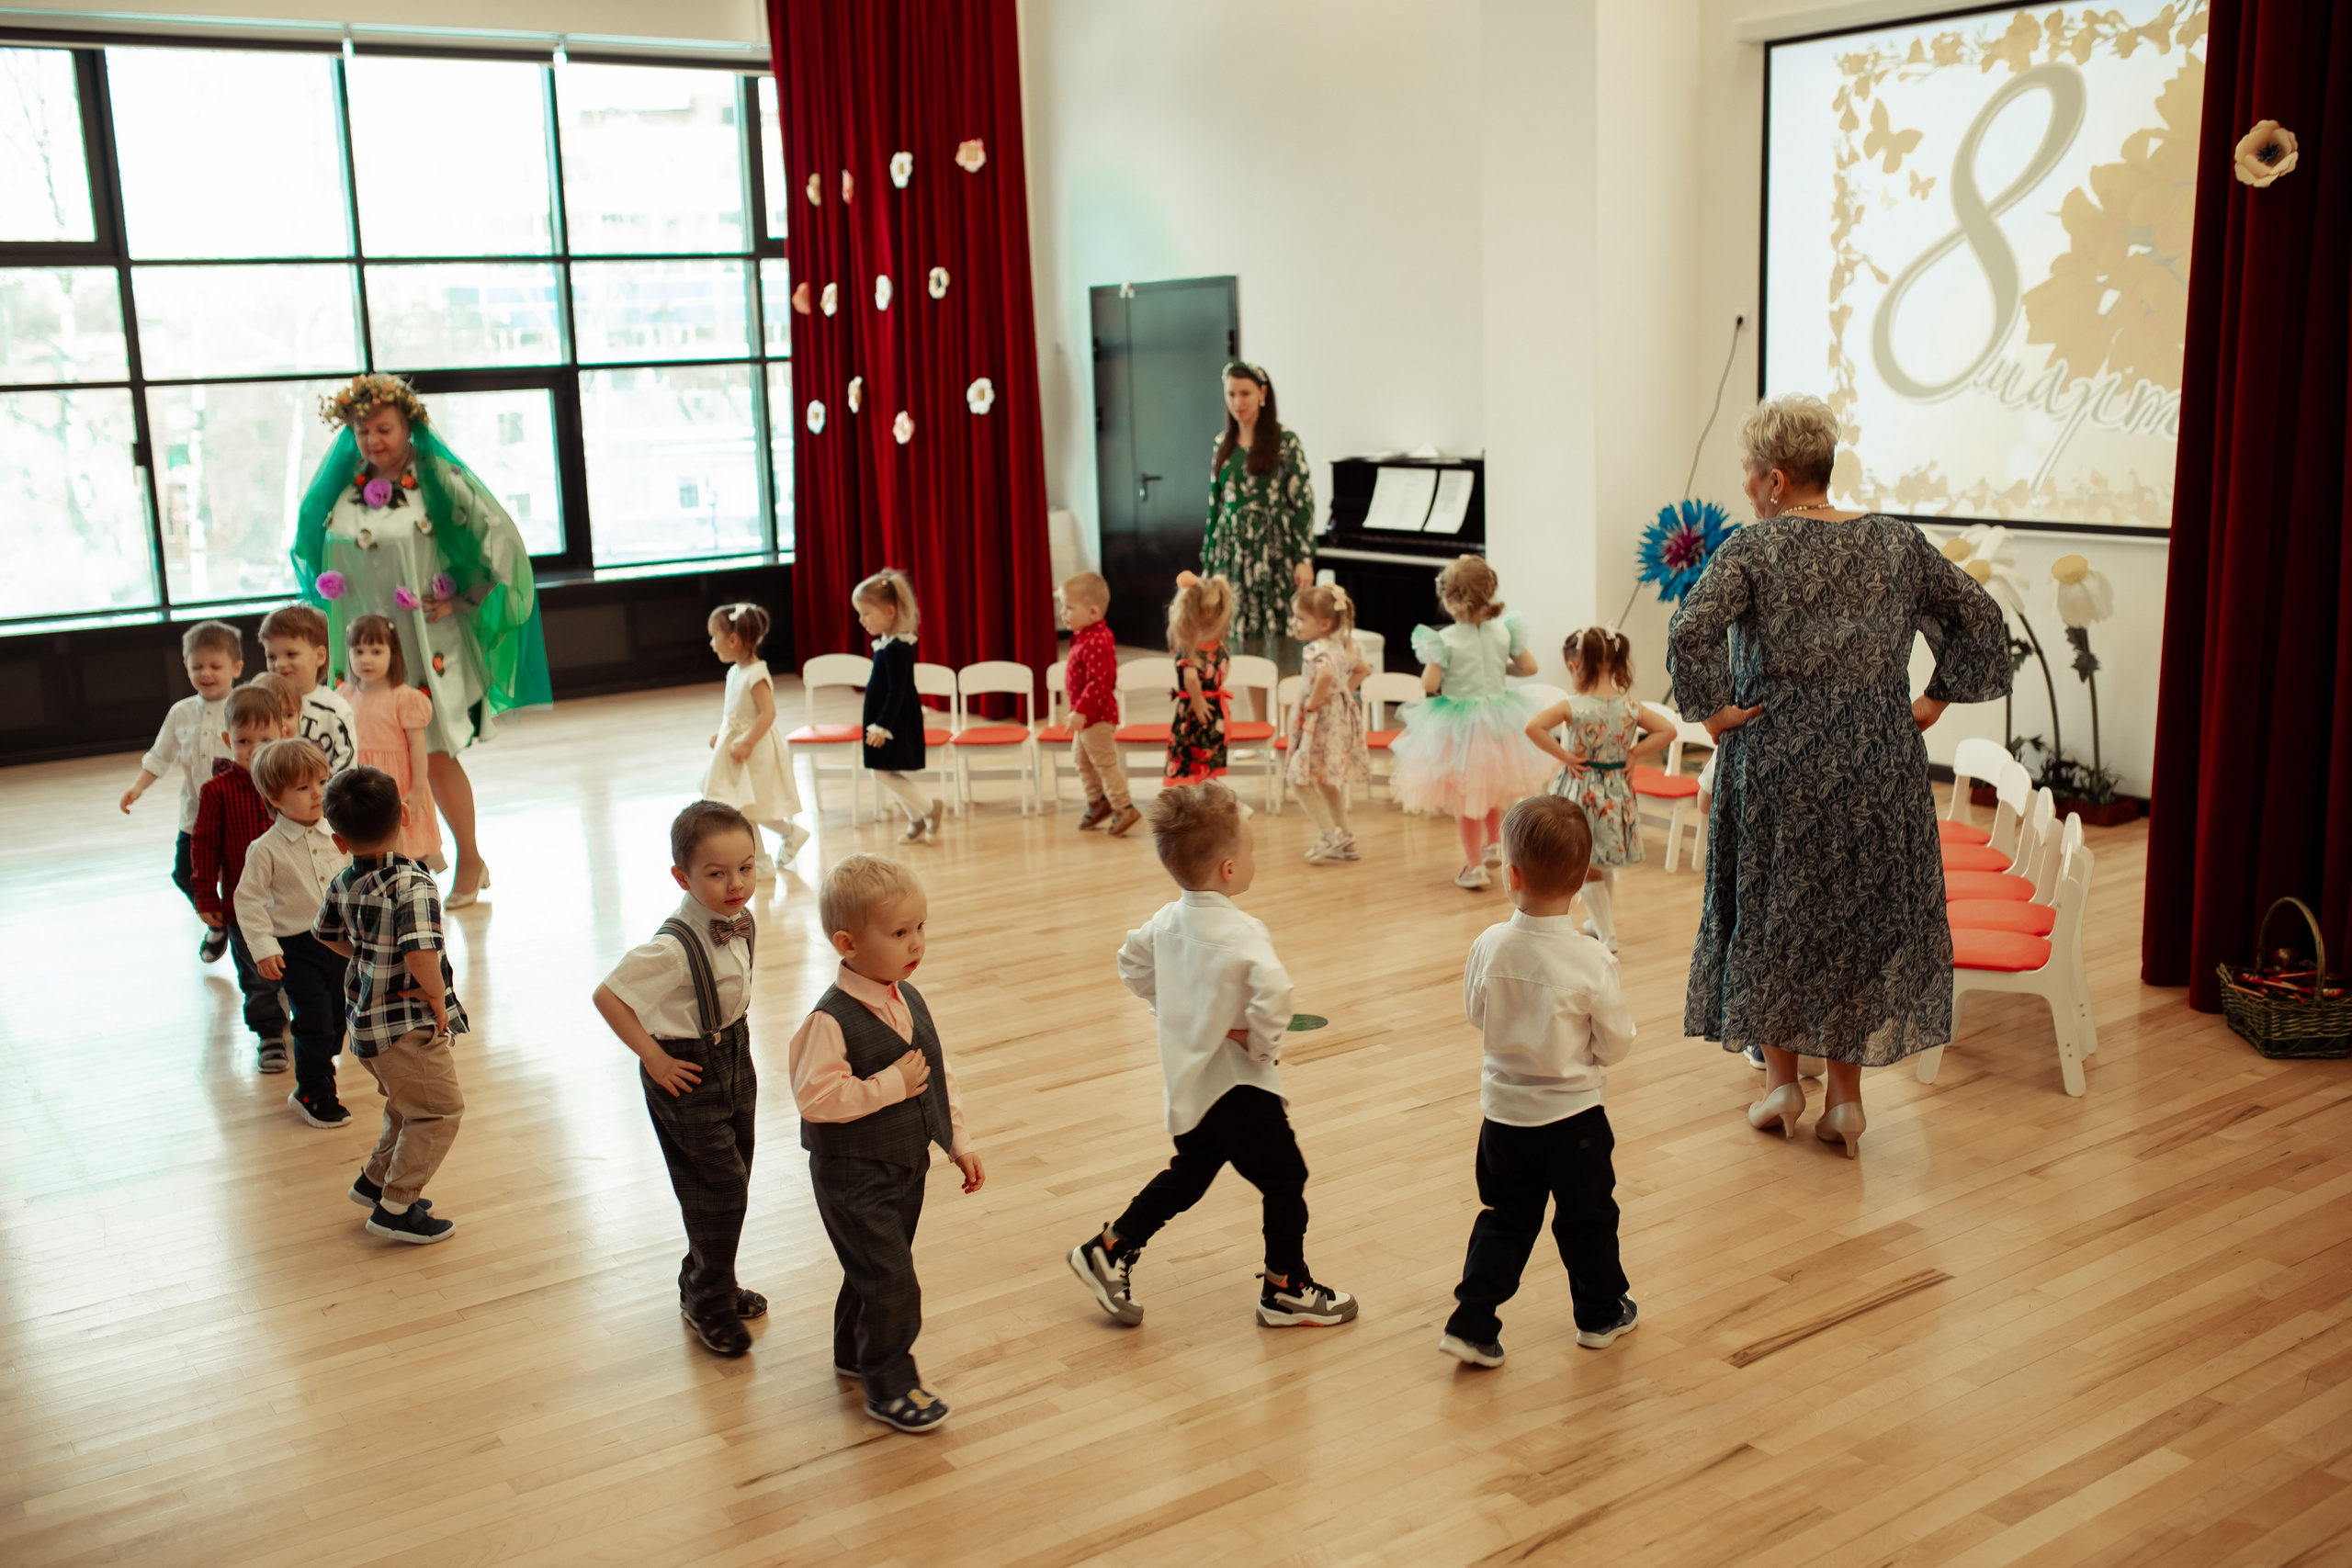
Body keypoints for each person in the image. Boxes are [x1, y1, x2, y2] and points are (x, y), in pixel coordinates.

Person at [1668, 393, 2009, 1156]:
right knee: (1858, 917)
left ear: (1779, 479)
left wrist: (1715, 713)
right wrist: (1931, 701)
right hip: (1878, 766)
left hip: (1777, 764)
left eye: (1751, 477)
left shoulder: (1753, 551)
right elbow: (1979, 616)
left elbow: (1691, 628)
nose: (1748, 491)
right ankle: (1846, 1100)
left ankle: (1782, 1085)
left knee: (1772, 911)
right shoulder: (1895, 543)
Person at [1067, 782, 1359, 1333]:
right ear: (1228, 869)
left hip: (1189, 1082)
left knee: (1193, 1169)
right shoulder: (1243, 932)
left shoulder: (1166, 920)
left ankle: (1110, 1248)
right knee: (1285, 1177)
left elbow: (1130, 961)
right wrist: (1261, 1045)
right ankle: (1286, 1287)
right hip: (1237, 1087)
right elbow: (1274, 995)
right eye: (1249, 851)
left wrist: (1169, 1010)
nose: (1253, 860)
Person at [293, 372, 552, 908]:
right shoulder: (346, 485)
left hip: (422, 641)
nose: (372, 441)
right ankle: (386, 870)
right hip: (362, 645)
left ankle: (471, 858)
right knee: (367, 754)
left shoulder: (441, 479)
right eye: (362, 432)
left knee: (431, 754)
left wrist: (464, 598)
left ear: (408, 425)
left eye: (383, 429)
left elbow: (497, 541)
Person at [1441, 795, 1640, 1369]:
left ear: (1511, 874)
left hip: (1503, 1119)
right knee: (1588, 1220)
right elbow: (1617, 1041)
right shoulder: (1592, 958)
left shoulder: (1489, 944)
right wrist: (1590, 1055)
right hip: (1575, 1118)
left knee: (1505, 1220)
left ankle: (1472, 1322)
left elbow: (1477, 1014)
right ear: (1582, 883)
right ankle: (1600, 1315)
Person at [788, 853, 984, 1434]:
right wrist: (886, 1087)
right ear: (847, 943)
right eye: (899, 933)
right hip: (853, 1175)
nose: (915, 942)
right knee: (892, 1278)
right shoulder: (831, 1020)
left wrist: (956, 1141)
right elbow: (815, 1099)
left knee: (873, 1270)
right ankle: (890, 1384)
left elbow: (935, 1076)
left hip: (905, 1167)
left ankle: (854, 1353)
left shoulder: (907, 997)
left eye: (920, 927)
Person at [594, 801, 770, 1358]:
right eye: (716, 874)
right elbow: (610, 996)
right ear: (682, 877)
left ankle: (709, 1276)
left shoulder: (739, 922)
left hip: (735, 1055)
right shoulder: (673, 947)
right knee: (716, 1189)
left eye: (746, 867)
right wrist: (654, 1058)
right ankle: (706, 1301)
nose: (735, 883)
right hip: (686, 1070)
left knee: (732, 1180)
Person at [314, 765, 468, 1244]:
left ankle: (375, 1181)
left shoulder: (344, 880)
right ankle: (396, 1208)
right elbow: (422, 952)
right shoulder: (413, 884)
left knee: (405, 1105)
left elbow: (327, 936)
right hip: (406, 1025)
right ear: (403, 815)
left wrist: (369, 955)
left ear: (339, 840)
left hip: (366, 1024)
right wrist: (438, 999)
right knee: (438, 1110)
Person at [1388, 556, 1555, 889]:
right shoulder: (1503, 632)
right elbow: (1529, 668)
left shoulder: (1445, 639)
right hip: (1499, 718)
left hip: (1461, 724)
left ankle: (1474, 867)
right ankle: (1493, 844)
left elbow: (1429, 684)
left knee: (1467, 799)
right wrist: (1495, 671)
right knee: (1492, 788)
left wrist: (1447, 669)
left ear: (1449, 598)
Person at [1522, 629, 1676, 953]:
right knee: (1602, 859)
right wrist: (1633, 754)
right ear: (1617, 661)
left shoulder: (1574, 705)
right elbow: (1668, 730)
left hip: (1581, 790)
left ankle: (1607, 936)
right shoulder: (1630, 705)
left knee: (1586, 863)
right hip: (1616, 790)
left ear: (1580, 663)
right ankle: (1598, 922)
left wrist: (1564, 755)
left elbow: (1532, 727)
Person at [235, 739, 353, 1128]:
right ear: (274, 797)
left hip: (343, 944)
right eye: (303, 788)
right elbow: (248, 901)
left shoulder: (338, 834)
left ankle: (323, 1065)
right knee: (314, 1021)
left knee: (339, 1020)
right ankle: (313, 1091)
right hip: (298, 949)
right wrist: (263, 948)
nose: (318, 793)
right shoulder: (265, 849)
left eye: (322, 781)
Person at [123, 619, 243, 963]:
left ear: (235, 667)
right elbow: (161, 754)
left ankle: (246, 938)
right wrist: (138, 786)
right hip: (196, 818)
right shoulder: (181, 712)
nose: (206, 673)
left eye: (215, 666)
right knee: (183, 873)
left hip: (238, 817)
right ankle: (215, 921)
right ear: (186, 667)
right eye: (197, 666)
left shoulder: (243, 707)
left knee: (242, 882)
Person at [191, 685, 295, 1072]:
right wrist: (205, 897)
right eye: (243, 741)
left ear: (283, 735)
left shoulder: (292, 784)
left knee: (299, 968)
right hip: (244, 906)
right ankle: (269, 1034)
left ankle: (306, 1023)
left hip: (293, 902)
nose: (254, 749)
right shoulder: (217, 792)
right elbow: (202, 847)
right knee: (256, 976)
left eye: (265, 739)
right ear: (226, 740)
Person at [1201, 361, 1317, 666]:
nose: (1237, 402)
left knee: (1283, 630)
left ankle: (1288, 706)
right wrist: (1209, 560)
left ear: (1262, 393)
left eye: (1245, 393)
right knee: (1244, 635)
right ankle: (1257, 712)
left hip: (1274, 550)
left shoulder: (1285, 441)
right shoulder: (1222, 444)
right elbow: (1215, 506)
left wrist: (1304, 557)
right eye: (1231, 394)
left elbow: (1302, 502)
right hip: (1234, 554)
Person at [699, 603, 809, 877]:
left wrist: (747, 742)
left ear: (733, 639)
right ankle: (767, 854)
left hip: (754, 749)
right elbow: (736, 712)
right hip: (736, 747)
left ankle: (772, 851)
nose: (712, 644)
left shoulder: (757, 673)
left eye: (714, 637)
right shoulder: (736, 670)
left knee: (749, 806)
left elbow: (768, 712)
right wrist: (722, 733)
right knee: (742, 807)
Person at [341, 614, 440, 868]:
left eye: (376, 651)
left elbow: (417, 747)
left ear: (392, 653)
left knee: (406, 844)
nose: (366, 659)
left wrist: (418, 787)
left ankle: (418, 884)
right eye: (358, 651)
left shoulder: (404, 698)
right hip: (361, 783)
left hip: (398, 784)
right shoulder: (344, 695)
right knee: (368, 841)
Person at [853, 569, 944, 843]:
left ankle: (929, 808)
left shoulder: (898, 648)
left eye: (866, 613)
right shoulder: (888, 644)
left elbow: (898, 690)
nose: (861, 620)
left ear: (890, 611)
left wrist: (882, 725)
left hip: (893, 722)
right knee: (883, 771)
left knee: (881, 771)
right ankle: (916, 818)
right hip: (885, 719)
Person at [1284, 581, 1372, 863]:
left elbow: (1324, 675)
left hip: (1319, 722)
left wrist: (1312, 702)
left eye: (1300, 618)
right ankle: (1346, 838)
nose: (1294, 622)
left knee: (1297, 777)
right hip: (1338, 719)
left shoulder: (1316, 649)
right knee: (1325, 779)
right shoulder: (1347, 646)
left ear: (1323, 624)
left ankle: (1328, 834)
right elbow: (1363, 669)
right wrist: (1344, 689)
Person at [1060, 571, 1140, 837]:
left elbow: (1098, 683)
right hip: (1086, 717)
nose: (1063, 614)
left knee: (1104, 762)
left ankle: (1124, 806)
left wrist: (1081, 711)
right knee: (1081, 760)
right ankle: (1099, 801)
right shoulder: (1086, 637)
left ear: (1093, 612)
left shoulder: (1096, 641)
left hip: (1096, 716)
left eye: (1069, 608)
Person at [260, 604, 356, 774]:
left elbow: (347, 760)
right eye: (271, 656)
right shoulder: (262, 702)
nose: (279, 664)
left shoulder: (335, 708)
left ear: (319, 656)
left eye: (291, 654)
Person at [1165, 571, 1235, 785]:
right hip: (1206, 710)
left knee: (1196, 758)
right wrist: (1200, 699)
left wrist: (1198, 699)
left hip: (1203, 710)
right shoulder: (1214, 649)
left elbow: (1193, 679)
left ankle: (1204, 796)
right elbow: (1196, 678)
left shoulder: (1194, 649)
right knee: (1203, 759)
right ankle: (1204, 793)